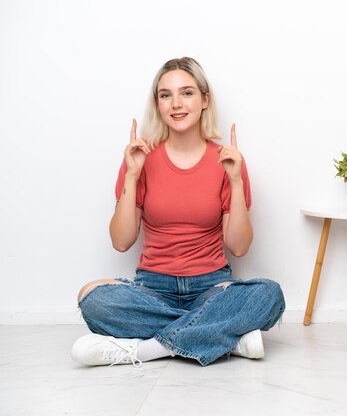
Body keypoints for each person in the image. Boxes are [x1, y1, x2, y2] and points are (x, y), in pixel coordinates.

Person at [71, 57, 285, 367]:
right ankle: (225, 336)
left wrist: (236, 181)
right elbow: (121, 241)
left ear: (204, 100)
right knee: (92, 299)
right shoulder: (140, 158)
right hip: (151, 288)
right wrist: (132, 175)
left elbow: (239, 247)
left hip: (211, 286)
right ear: (157, 103)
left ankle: (145, 350)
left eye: (186, 93)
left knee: (269, 295)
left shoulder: (227, 161)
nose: (176, 104)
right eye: (165, 95)